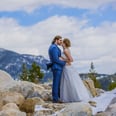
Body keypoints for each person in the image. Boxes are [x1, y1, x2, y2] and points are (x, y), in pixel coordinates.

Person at [60, 38, 92, 102]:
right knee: (69, 82)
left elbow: (71, 60)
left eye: (63, 42)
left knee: (70, 82)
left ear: (65, 44)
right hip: (67, 67)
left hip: (67, 67)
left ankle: (74, 97)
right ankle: (71, 96)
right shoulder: (66, 49)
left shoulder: (65, 50)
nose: (62, 44)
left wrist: (62, 59)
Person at [48, 35, 66, 103]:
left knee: (57, 83)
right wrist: (64, 63)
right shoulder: (54, 47)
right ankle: (55, 99)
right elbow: (55, 59)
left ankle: (56, 97)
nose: (61, 42)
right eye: (60, 40)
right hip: (57, 67)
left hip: (57, 67)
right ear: (56, 40)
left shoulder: (54, 47)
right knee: (56, 83)